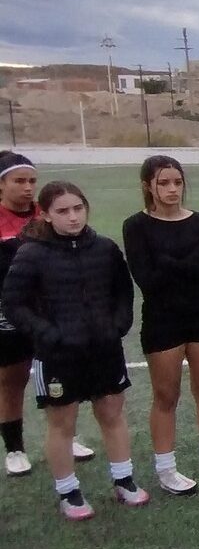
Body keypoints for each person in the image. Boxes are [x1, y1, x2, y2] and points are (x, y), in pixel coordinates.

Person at [2, 181, 145, 520]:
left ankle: (124, 480)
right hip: (59, 355)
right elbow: (13, 303)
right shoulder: (31, 253)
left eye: (77, 209)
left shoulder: (105, 249)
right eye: (62, 211)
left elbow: (123, 292)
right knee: (62, 423)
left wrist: (117, 326)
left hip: (104, 350)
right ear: (47, 215)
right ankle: (69, 491)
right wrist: (48, 334)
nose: (72, 217)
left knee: (112, 413)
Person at [121, 155, 199, 494]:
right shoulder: (136, 226)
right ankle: (166, 468)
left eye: (177, 182)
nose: (172, 189)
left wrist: (170, 263)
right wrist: (188, 263)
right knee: (166, 395)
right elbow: (147, 279)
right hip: (162, 319)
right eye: (164, 183)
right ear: (148, 186)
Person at [0, 151, 93, 476]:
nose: (27, 188)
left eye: (31, 181)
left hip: (53, 314)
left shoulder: (48, 215)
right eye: (19, 181)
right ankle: (14, 447)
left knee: (61, 376)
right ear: (2, 185)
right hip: (9, 314)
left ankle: (66, 436)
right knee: (12, 380)